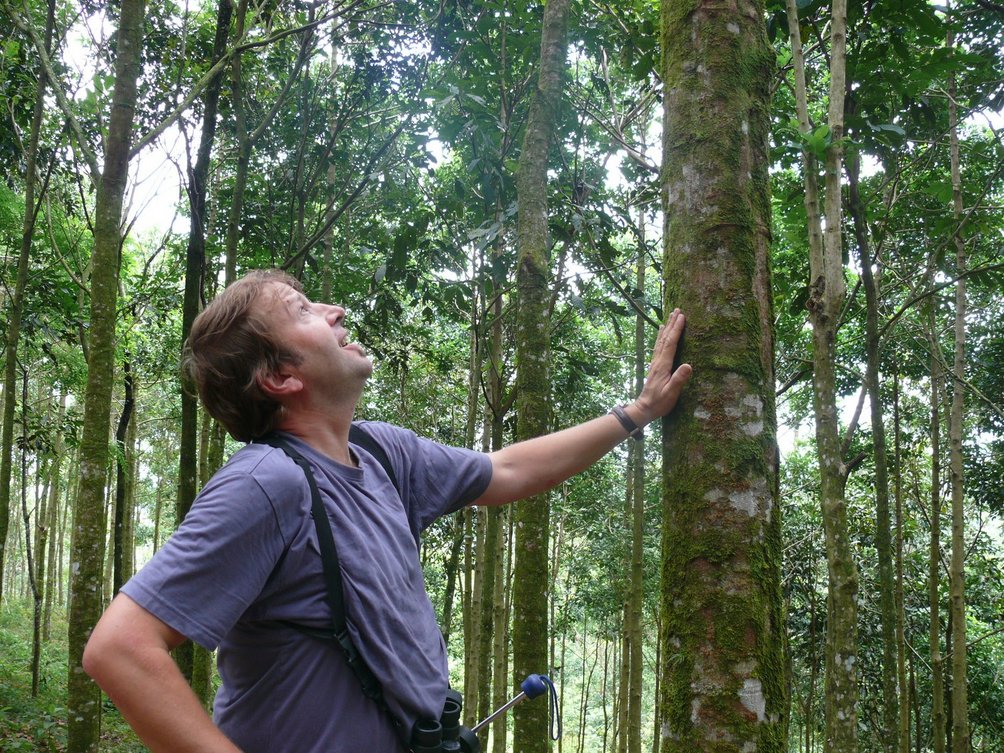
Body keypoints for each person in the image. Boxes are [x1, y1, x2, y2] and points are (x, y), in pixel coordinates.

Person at [83, 268, 692, 753]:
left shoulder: (379, 452)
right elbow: (120, 649)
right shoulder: (265, 483)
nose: (334, 311)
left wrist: (635, 413)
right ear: (278, 376)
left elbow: (506, 470)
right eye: (302, 311)